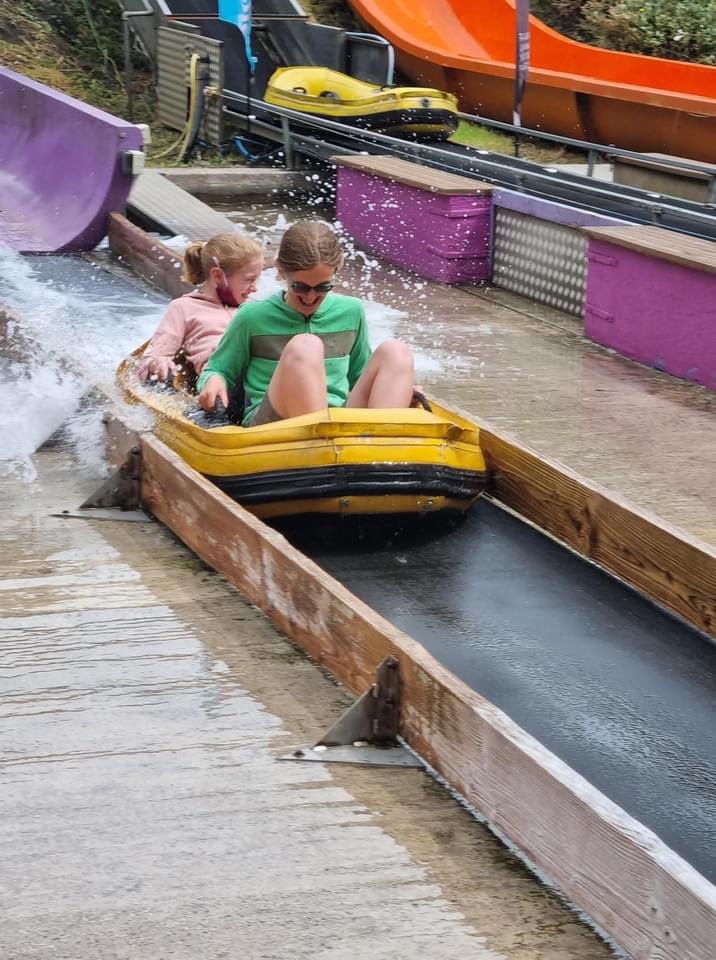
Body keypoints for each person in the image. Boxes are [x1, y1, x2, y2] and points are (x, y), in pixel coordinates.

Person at [196, 219, 414, 426]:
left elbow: (359, 375)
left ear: (336, 272)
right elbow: (217, 369)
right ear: (280, 271)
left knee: (396, 352)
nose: (310, 297)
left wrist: (396, 386)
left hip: (338, 418)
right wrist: (214, 380)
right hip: (274, 422)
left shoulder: (351, 311)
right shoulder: (252, 316)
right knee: (306, 346)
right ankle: (319, 443)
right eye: (300, 287)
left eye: (322, 287)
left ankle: (383, 449)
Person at [137, 232, 264, 384]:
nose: (255, 288)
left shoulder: (253, 309)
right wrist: (160, 363)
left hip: (262, 374)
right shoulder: (184, 308)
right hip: (223, 380)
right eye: (249, 280)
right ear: (217, 276)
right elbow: (155, 355)